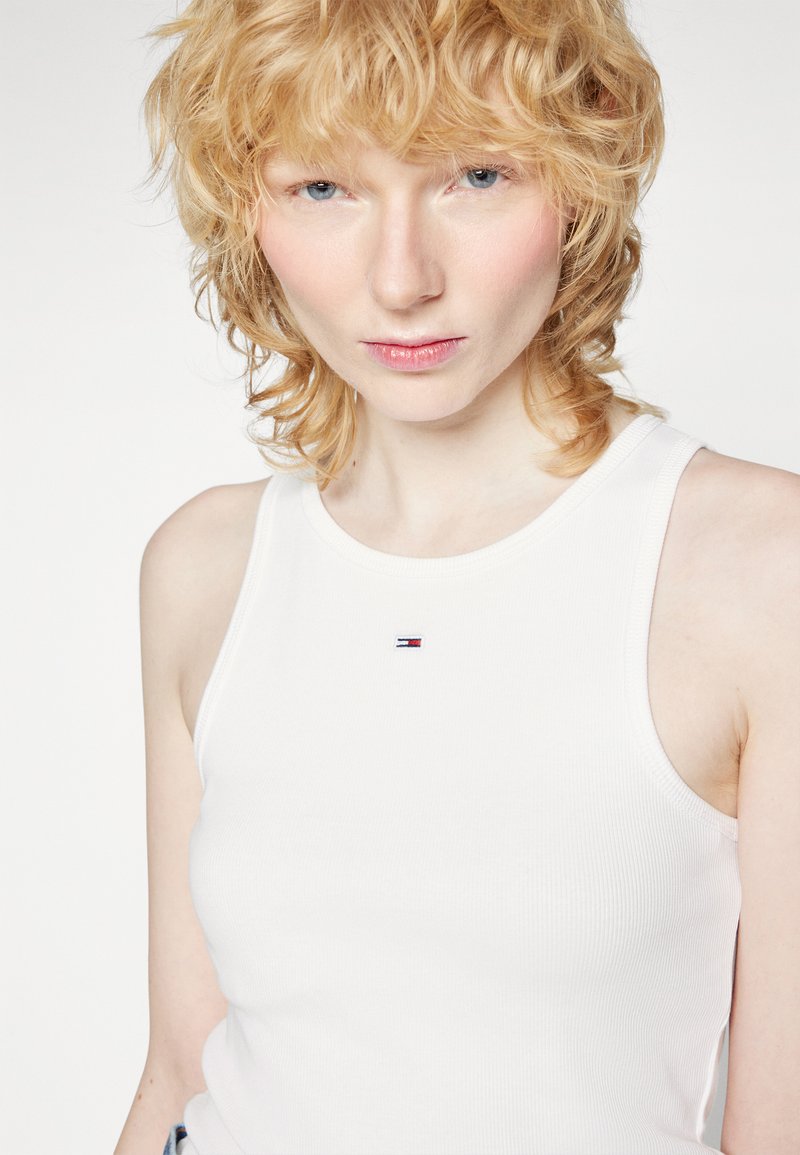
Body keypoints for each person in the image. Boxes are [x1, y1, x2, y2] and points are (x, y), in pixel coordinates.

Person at [113, 1, 800, 1153]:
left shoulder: (756, 568)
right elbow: (179, 1071)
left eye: (475, 176)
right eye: (322, 187)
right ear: (246, 210)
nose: (400, 279)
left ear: (579, 181)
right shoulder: (204, 567)